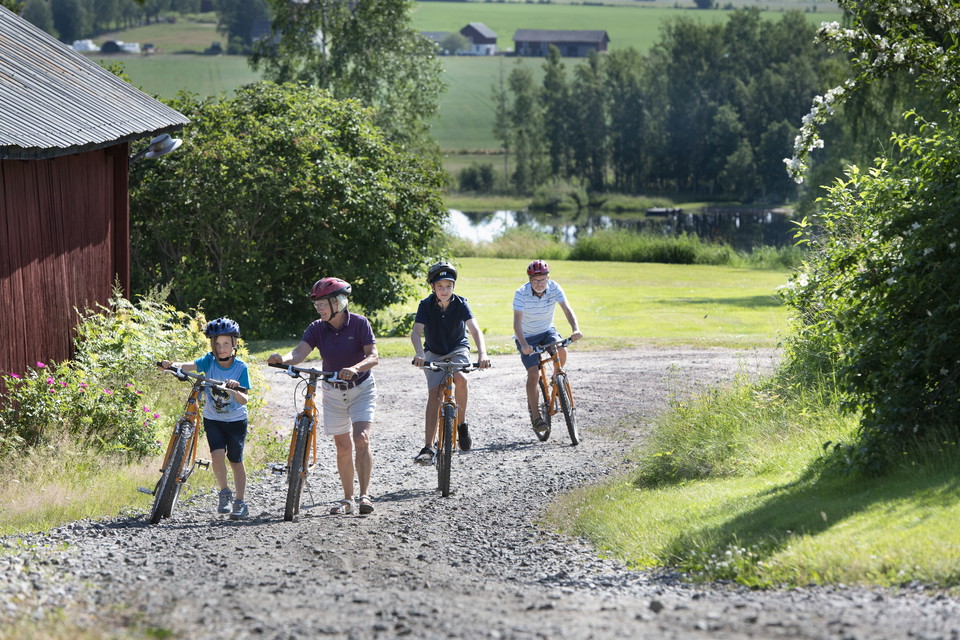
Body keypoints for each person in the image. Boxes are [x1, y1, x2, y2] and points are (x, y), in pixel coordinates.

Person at [267, 277, 379, 515]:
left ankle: (364, 495)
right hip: (333, 391)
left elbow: (373, 356)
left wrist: (356, 368)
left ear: (338, 303)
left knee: (361, 438)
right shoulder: (317, 327)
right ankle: (348, 499)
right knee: (342, 446)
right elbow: (299, 353)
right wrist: (282, 359)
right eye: (316, 304)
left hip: (361, 388)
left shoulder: (360, 323)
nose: (318, 308)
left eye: (322, 303)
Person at [159, 317, 252, 520]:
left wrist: (234, 389)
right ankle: (224, 493)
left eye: (226, 343)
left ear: (234, 344)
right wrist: (171, 365)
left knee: (236, 460)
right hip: (213, 419)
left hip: (236, 421)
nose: (221, 348)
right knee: (217, 455)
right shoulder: (209, 361)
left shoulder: (240, 367)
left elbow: (244, 399)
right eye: (217, 344)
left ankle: (240, 501)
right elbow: (190, 366)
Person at [410, 261, 491, 465]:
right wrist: (420, 353)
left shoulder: (461, 303)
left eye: (448, 286)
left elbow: (474, 330)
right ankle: (428, 447)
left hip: (457, 349)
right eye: (440, 287)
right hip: (433, 353)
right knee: (435, 393)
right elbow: (416, 332)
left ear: (453, 287)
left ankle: (461, 424)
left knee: (460, 378)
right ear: (432, 287)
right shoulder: (425, 305)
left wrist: (482, 354)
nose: (444, 291)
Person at [513, 260, 583, 438]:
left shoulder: (555, 288)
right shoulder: (521, 294)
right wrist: (524, 345)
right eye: (535, 280)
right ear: (529, 280)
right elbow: (517, 323)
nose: (539, 284)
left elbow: (567, 309)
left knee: (561, 349)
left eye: (543, 279)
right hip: (526, 336)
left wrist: (575, 328)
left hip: (547, 331)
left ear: (548, 278)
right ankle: (537, 417)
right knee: (534, 374)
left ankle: (556, 379)